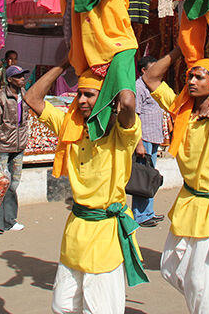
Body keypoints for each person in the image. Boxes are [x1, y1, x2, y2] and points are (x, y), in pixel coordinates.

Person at [23, 60, 144, 314]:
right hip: (76, 232)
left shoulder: (121, 134)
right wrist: (66, 63)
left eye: (89, 94)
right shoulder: (71, 126)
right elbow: (32, 98)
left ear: (108, 99)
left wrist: (117, 67)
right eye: (79, 93)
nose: (81, 100)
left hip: (106, 235)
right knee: (62, 306)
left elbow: (129, 103)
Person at [142, 49, 209, 314]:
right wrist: (181, 50)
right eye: (190, 76)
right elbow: (151, 77)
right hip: (187, 202)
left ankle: (208, 308)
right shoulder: (181, 111)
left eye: (200, 77)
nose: (191, 81)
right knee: (168, 269)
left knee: (200, 280)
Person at [0, 64, 30, 238]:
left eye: (23, 76)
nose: (22, 79)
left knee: (13, 185)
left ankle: (10, 219)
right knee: (0, 185)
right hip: (4, 146)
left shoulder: (25, 96)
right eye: (19, 76)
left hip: (18, 147)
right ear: (10, 79)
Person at [132, 55, 166, 226]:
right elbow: (135, 116)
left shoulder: (155, 86)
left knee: (150, 176)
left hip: (153, 137)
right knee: (143, 177)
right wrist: (138, 143)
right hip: (144, 138)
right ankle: (140, 215)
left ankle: (148, 212)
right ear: (144, 71)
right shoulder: (139, 87)